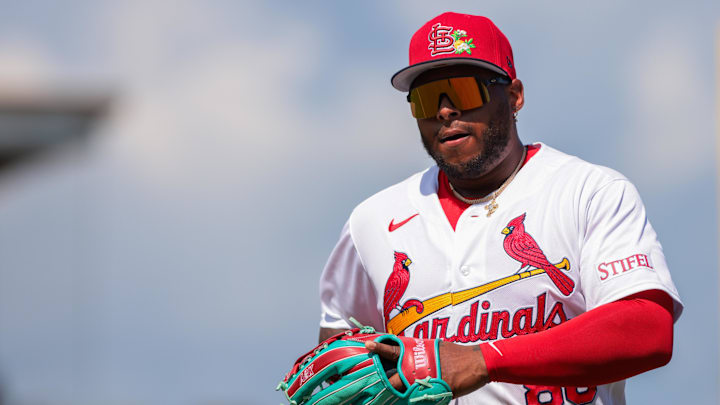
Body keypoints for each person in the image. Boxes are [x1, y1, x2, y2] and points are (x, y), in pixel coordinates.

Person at [318, 12, 682, 404]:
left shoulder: (587, 191)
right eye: (425, 98)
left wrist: (483, 359)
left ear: (513, 96)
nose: (444, 111)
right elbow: (336, 353)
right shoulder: (372, 222)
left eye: (463, 91)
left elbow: (647, 328)